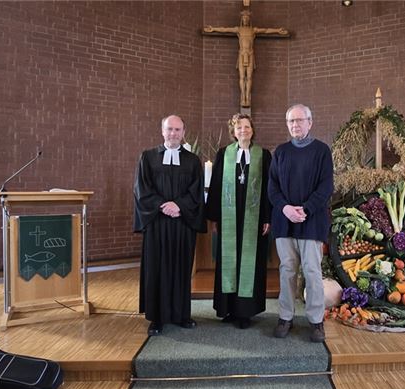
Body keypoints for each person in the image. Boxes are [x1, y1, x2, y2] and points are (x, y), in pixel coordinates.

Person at [133, 115, 205, 336]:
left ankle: (182, 314)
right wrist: (164, 205)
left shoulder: (193, 161)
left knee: (182, 268)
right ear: (162, 131)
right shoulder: (148, 157)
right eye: (169, 129)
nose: (173, 133)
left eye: (177, 130)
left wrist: (179, 206)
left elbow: (196, 191)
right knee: (157, 267)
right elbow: (141, 189)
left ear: (184, 132)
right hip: (157, 222)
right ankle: (157, 318)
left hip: (182, 223)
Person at [268, 104, 334, 343]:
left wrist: (304, 209)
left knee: (312, 271)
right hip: (284, 220)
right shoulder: (281, 152)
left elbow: (326, 187)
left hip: (311, 220)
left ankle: (316, 321)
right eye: (291, 122)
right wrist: (285, 208)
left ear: (310, 122)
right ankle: (285, 317)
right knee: (287, 270)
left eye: (299, 120)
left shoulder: (321, 151)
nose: (295, 125)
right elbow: (272, 187)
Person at [206, 114, 272, 329]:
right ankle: (228, 309)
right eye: (238, 127)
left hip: (254, 220)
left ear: (252, 129)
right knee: (229, 260)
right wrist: (215, 218)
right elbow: (215, 186)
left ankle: (245, 312)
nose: (243, 130)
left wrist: (267, 218)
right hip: (229, 219)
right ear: (233, 131)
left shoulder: (263, 155)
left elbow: (269, 190)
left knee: (250, 262)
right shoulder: (224, 154)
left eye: (247, 126)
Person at [203, 10, 289, 108]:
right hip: (241, 54)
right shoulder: (239, 29)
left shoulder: (253, 30)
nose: (245, 20)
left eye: (247, 18)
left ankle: (247, 96)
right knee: (241, 77)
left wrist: (278, 31)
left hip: (250, 54)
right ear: (241, 20)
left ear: (249, 20)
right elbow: (225, 29)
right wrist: (213, 29)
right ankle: (242, 95)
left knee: (249, 77)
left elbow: (265, 30)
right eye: (243, 18)